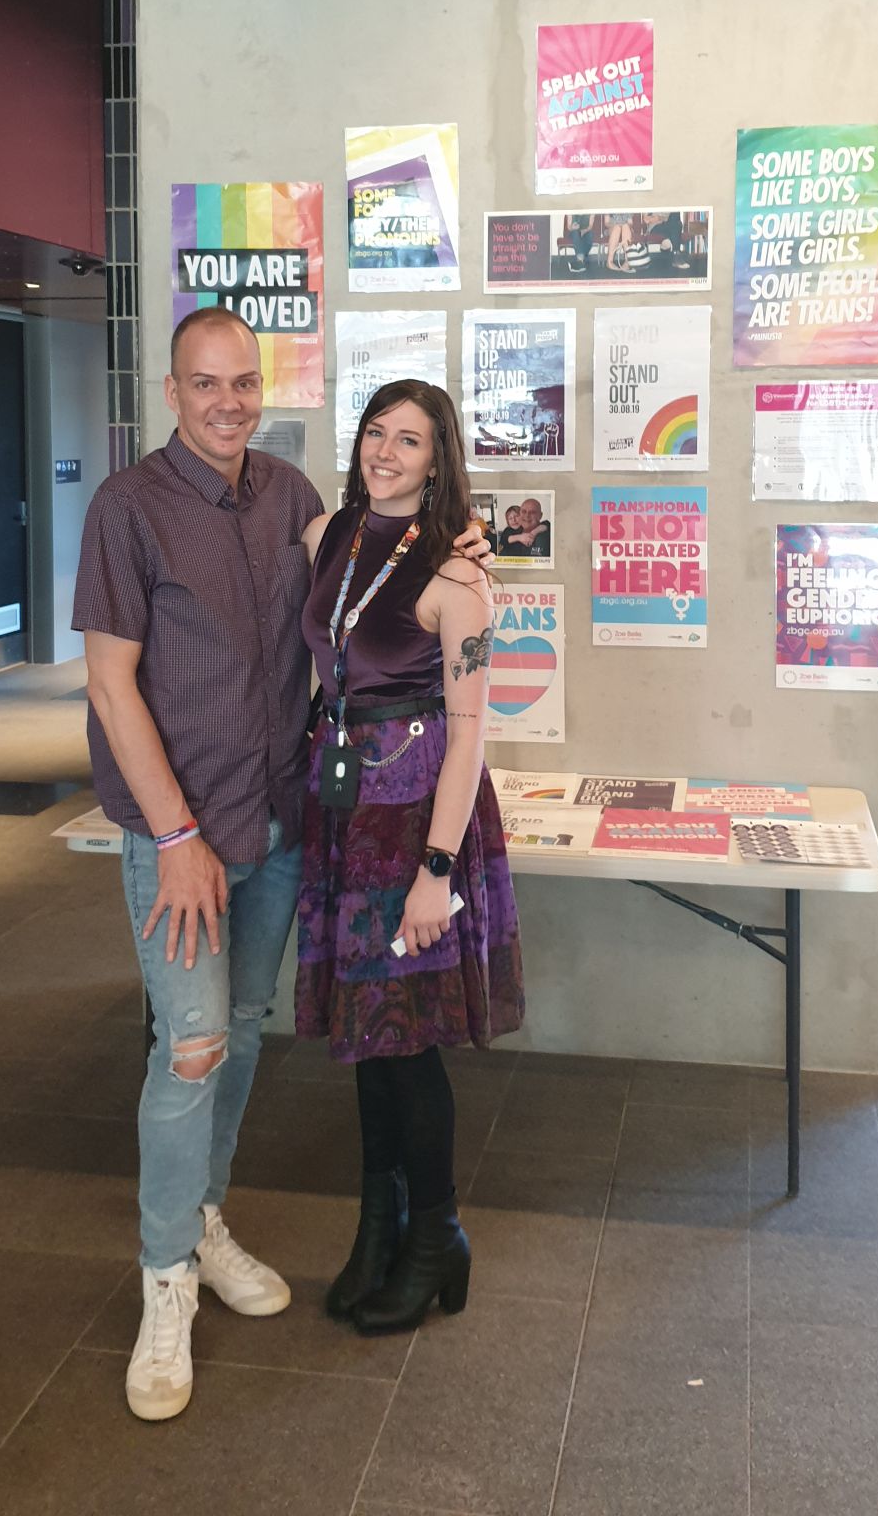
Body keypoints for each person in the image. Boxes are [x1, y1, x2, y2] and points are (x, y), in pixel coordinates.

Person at [73, 309, 489, 1423]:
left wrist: (465, 544)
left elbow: (409, 592)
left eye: (244, 383)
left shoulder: (297, 505)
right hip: (181, 839)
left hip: (290, 824)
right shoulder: (127, 508)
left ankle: (209, 1224)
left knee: (247, 1026)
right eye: (204, 384)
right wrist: (171, 838)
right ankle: (167, 1279)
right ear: (172, 391)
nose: (227, 402)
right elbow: (110, 685)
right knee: (193, 1044)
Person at [296, 379, 525, 1333]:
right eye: (376, 433)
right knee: (368, 1040)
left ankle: (437, 1235)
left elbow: (471, 735)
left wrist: (438, 870)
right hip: (346, 809)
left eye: (411, 441)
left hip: (418, 815)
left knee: (410, 1039)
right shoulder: (325, 539)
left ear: (440, 461)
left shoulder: (461, 577)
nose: (386, 453)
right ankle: (378, 1229)